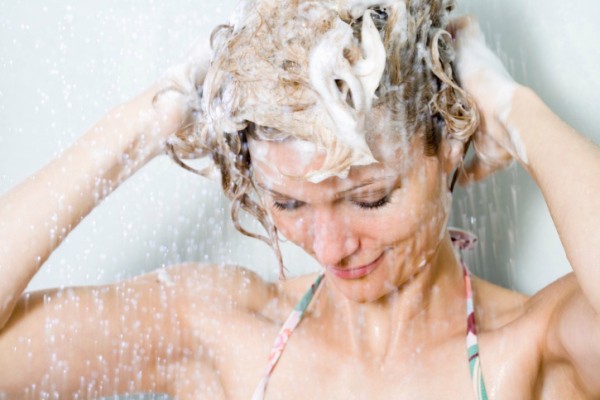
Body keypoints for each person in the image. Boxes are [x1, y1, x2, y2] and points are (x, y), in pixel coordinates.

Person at [1, 0, 599, 398]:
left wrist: (513, 110)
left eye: (369, 199)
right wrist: (147, 126)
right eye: (289, 205)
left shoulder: (538, 348)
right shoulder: (225, 330)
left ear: (448, 143)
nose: (332, 248)